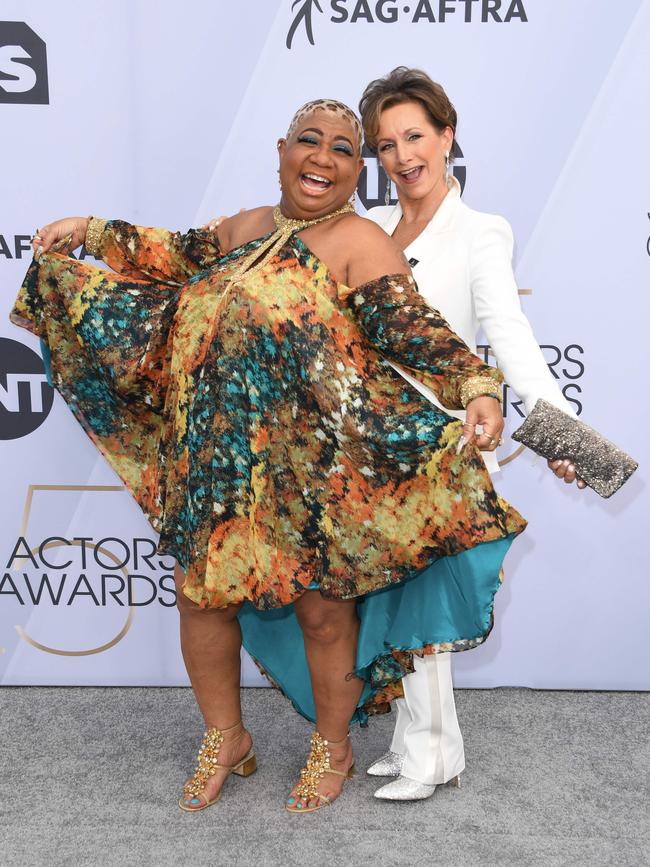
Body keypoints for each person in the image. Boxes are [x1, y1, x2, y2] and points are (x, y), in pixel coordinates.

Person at [13, 99, 525, 814]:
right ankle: (226, 736)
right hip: (214, 456)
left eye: (342, 149)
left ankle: (334, 744)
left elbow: (416, 332)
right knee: (200, 596)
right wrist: (91, 230)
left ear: (357, 170)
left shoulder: (358, 242)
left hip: (306, 473)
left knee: (320, 611)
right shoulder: (243, 226)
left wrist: (476, 384)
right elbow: (167, 252)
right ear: (281, 148)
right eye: (308, 142)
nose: (322, 158)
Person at [359, 67, 583, 802]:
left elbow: (509, 337)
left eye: (415, 136)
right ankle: (419, 742)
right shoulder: (380, 234)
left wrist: (563, 437)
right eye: (386, 145)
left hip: (439, 443)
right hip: (376, 443)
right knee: (395, 597)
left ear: (447, 136)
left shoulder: (481, 231)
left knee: (426, 601)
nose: (402, 156)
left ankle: (431, 757)